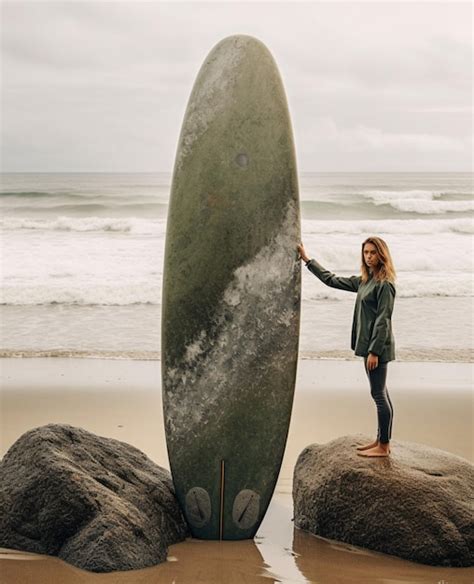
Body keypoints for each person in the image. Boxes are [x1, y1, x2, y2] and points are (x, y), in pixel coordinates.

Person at [297, 237, 396, 458]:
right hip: (370, 346)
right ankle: (380, 440)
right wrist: (307, 260)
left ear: (382, 255)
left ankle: (384, 446)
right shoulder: (364, 281)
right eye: (366, 253)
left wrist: (374, 351)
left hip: (377, 348)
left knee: (378, 394)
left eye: (373, 252)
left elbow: (383, 320)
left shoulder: (385, 285)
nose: (368, 256)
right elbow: (331, 280)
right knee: (380, 392)